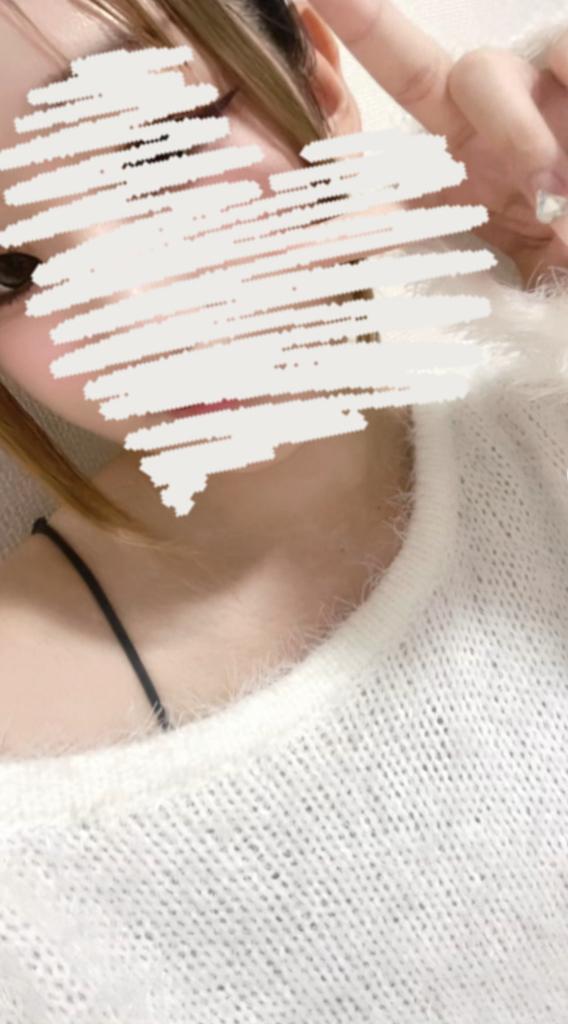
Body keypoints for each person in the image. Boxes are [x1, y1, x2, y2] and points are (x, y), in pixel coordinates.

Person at [0, 0, 567, 1019]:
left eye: (155, 142)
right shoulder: (31, 854)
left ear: (319, 80)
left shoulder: (533, 380)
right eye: (8, 274)